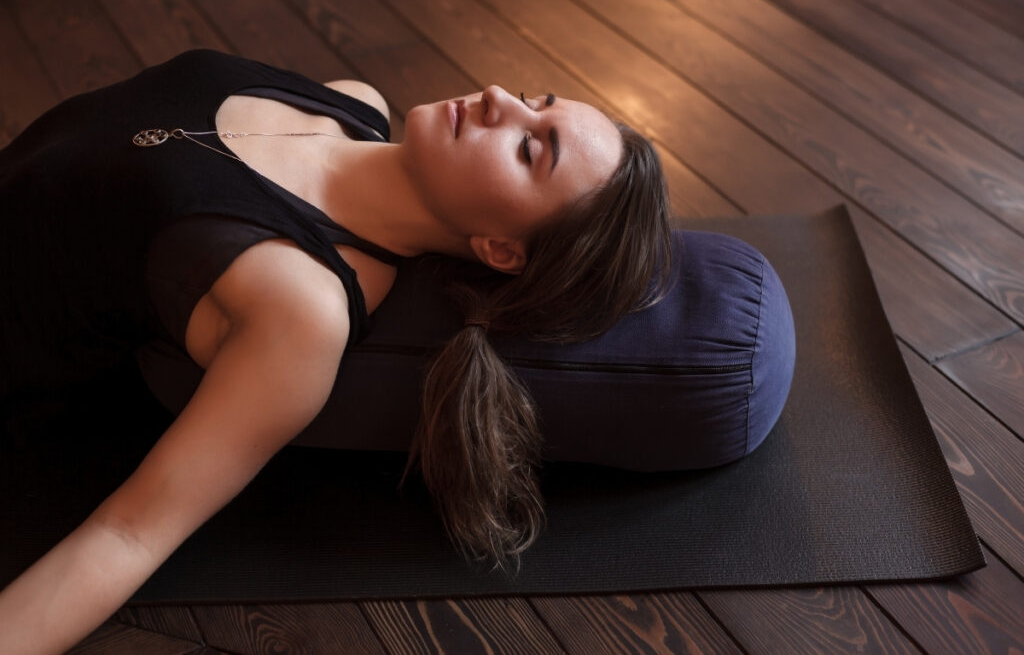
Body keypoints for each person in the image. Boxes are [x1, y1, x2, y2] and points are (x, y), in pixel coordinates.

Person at [0, 49, 671, 653]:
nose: (499, 96)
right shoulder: (354, 101)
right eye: (535, 98)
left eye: (530, 149)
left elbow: (129, 533)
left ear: (500, 248)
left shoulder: (304, 308)